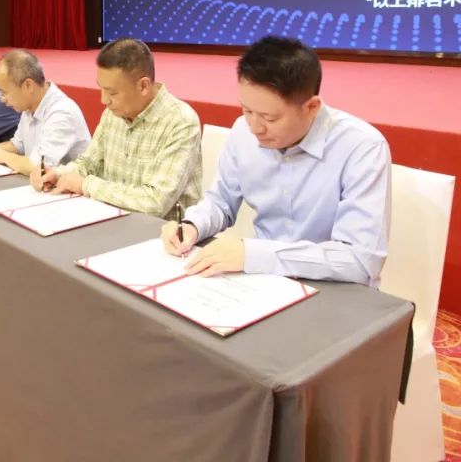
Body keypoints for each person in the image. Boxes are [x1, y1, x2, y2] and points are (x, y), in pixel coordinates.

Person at [160, 36, 391, 287]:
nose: (255, 127)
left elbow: (359, 261)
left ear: (311, 107)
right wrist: (192, 226)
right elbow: (220, 202)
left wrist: (255, 255)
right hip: (262, 280)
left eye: (270, 118)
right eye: (247, 110)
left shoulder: (361, 147)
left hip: (334, 289)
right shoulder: (242, 131)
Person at [35, 38, 202, 220]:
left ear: (143, 86)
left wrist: (86, 185)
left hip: (162, 232)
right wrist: (57, 174)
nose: (104, 100)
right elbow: (88, 163)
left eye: (112, 92)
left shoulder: (180, 122)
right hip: (111, 220)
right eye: (101, 88)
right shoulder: (113, 113)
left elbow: (154, 203)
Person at [0, 49, 90, 173]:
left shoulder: (61, 112)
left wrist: (3, 156)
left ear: (28, 86)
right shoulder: (29, 105)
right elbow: (18, 145)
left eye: (4, 92)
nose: (2, 99)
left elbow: (40, 166)